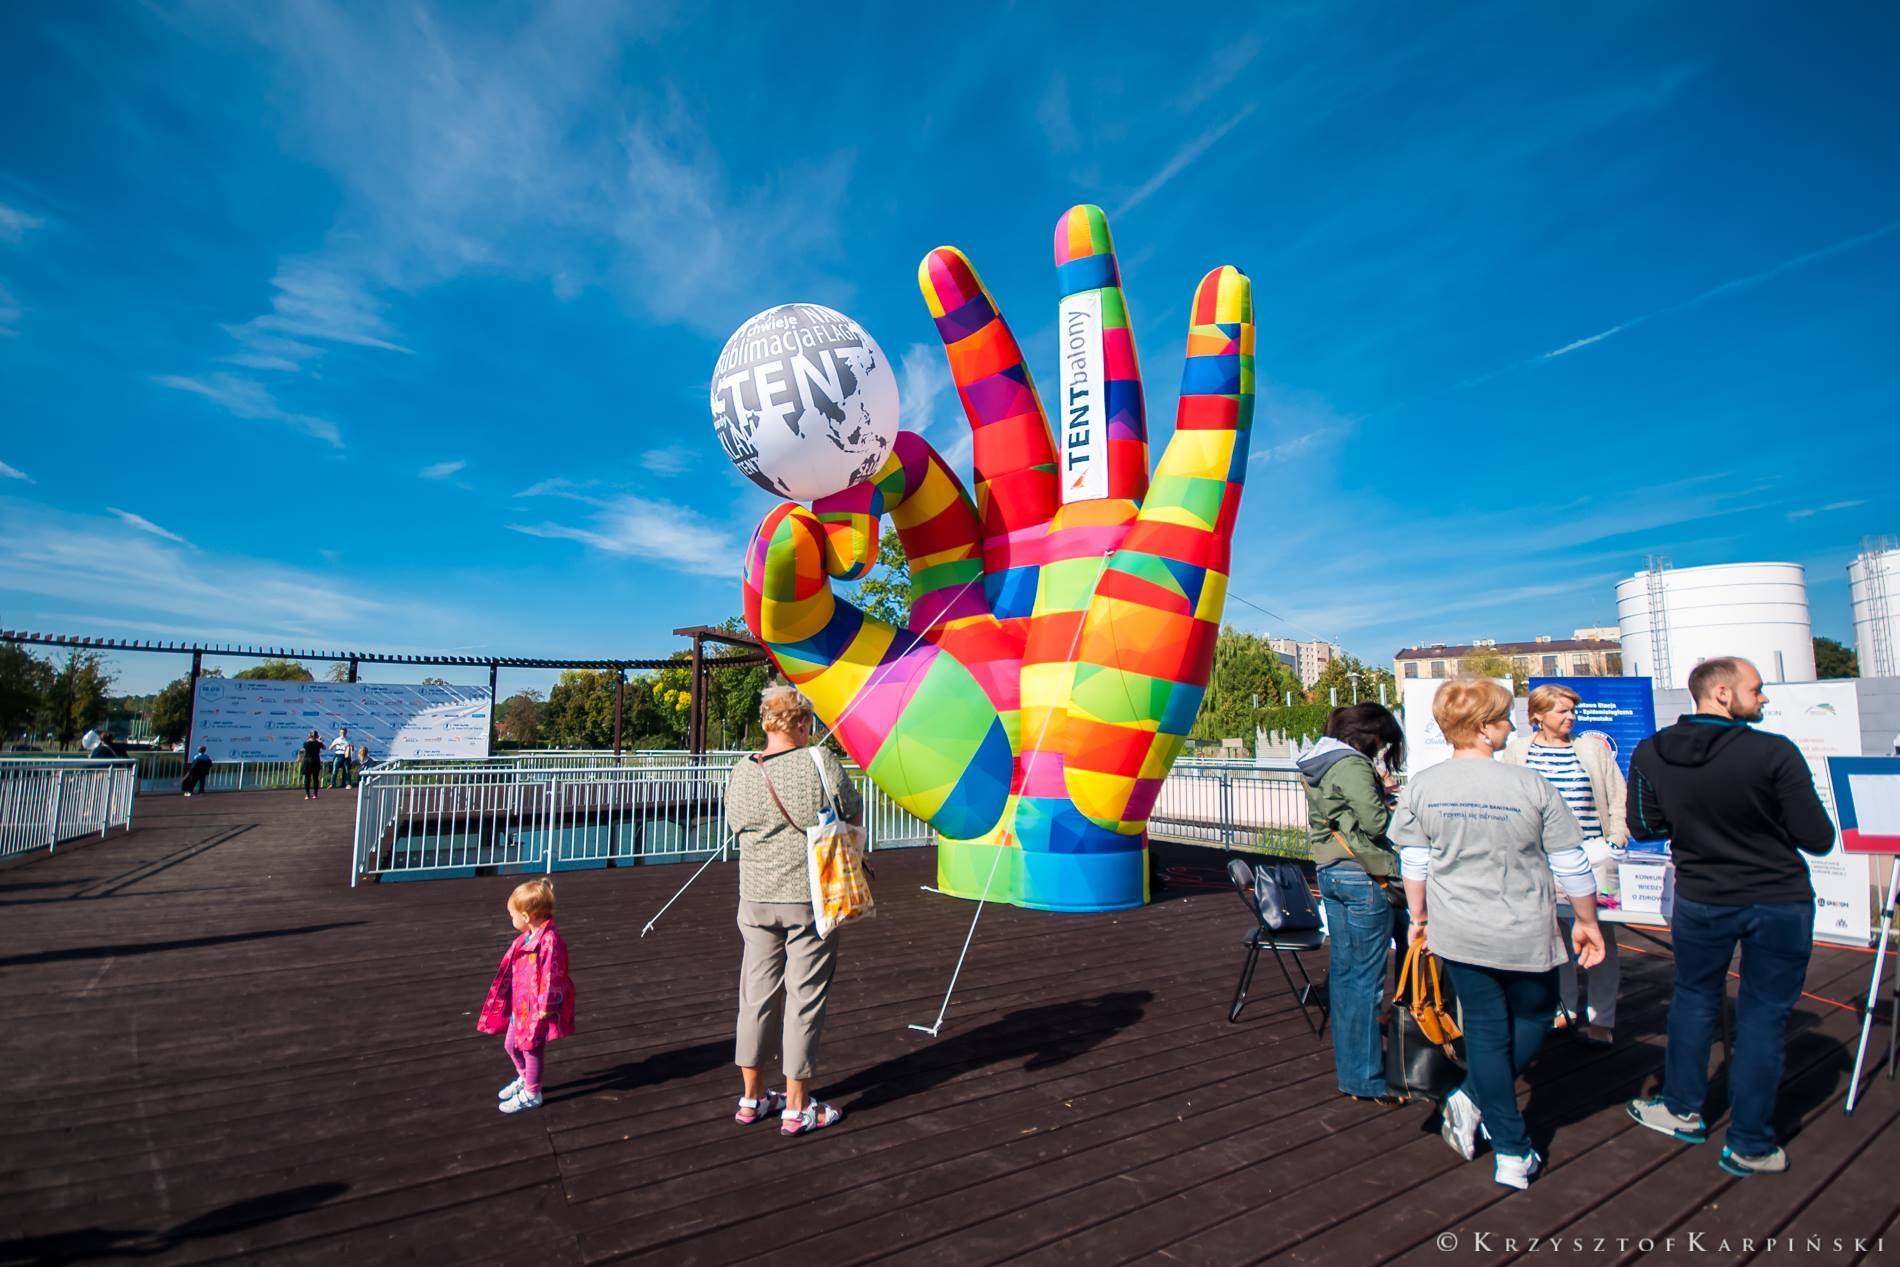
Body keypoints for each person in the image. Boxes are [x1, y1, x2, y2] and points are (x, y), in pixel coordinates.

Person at [1391, 676, 1606, 1191]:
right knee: (1534, 1014)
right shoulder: (1530, 786)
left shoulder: (1424, 785)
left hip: (1458, 928)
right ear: (1485, 729)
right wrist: (1587, 920)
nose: (1512, 725)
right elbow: (1571, 862)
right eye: (1505, 718)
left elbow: (1414, 860)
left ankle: (1499, 1135)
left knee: (1486, 1031)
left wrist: (1418, 919)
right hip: (1525, 928)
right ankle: (1495, 1124)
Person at [1624, 657, 1835, 1178]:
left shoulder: (1651, 752)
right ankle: (1750, 1143)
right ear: (1721, 693)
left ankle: (1681, 1108)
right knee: (1764, 1017)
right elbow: (1818, 837)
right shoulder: (1772, 752)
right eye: (1756, 689)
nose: (1763, 699)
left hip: (1702, 897)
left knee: (1694, 999)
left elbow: (1645, 825)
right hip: (1778, 898)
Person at [723, 684, 861, 1136]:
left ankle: (751, 1097)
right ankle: (797, 1106)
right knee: (804, 1000)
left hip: (755, 898)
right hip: (809, 900)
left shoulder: (741, 770)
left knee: (755, 998)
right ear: (802, 724)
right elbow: (852, 811)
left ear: (766, 723)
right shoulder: (819, 761)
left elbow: (734, 823)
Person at [1501, 683, 1628, 1046]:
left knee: (1600, 936)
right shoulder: (1518, 752)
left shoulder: (1591, 749)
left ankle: (1602, 1016)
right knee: (1554, 936)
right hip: (1538, 859)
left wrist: (1614, 839)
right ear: (1537, 715)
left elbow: (1616, 795)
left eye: (1573, 711)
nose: (1570, 717)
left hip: (1590, 855)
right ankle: (1565, 1007)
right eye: (1562, 711)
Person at [1300, 702, 1410, 1105]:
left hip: (1331, 871)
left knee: (1348, 979)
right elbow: (1376, 824)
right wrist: (1394, 804)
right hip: (1364, 874)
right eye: (1382, 742)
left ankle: (1354, 1072)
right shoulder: (1353, 764)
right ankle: (1366, 1077)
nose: (1382, 749)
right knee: (1366, 982)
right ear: (1370, 735)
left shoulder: (1319, 760)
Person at [476, 878, 575, 1115]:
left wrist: (546, 1006)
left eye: (512, 915)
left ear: (526, 916)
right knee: (511, 1044)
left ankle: (532, 1092)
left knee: (531, 1048)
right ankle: (525, 1077)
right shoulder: (527, 938)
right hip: (520, 1004)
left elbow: (552, 974)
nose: (511, 920)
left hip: (536, 1007)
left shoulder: (549, 941)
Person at [300, 730, 324, 800]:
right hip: (315, 761)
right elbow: (324, 747)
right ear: (316, 736)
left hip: (307, 761)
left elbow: (304, 749)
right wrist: (320, 740)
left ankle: (307, 795)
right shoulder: (318, 743)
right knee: (315, 778)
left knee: (307, 779)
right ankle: (315, 795)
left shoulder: (306, 743)